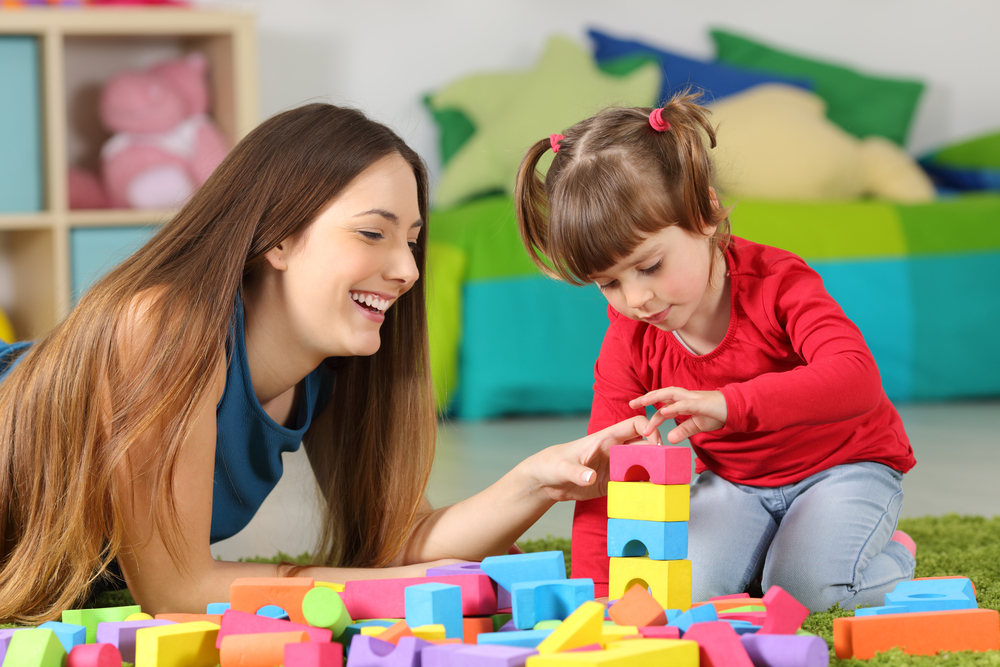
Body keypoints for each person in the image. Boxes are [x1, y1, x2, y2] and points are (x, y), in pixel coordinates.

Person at [0, 103, 656, 624]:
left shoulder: (331, 369)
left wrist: (539, 479)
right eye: (373, 232)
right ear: (279, 236)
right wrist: (390, 592)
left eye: (412, 240)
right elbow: (179, 589)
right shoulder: (163, 324)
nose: (405, 270)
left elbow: (398, 539)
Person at [513, 91, 917, 612]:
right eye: (607, 283)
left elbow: (855, 378)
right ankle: (777, 551)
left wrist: (731, 405)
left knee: (805, 592)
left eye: (650, 266)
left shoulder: (778, 283)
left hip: (845, 466)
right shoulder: (629, 336)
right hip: (736, 484)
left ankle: (890, 556)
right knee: (677, 593)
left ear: (703, 212)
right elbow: (602, 470)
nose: (635, 299)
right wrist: (597, 594)